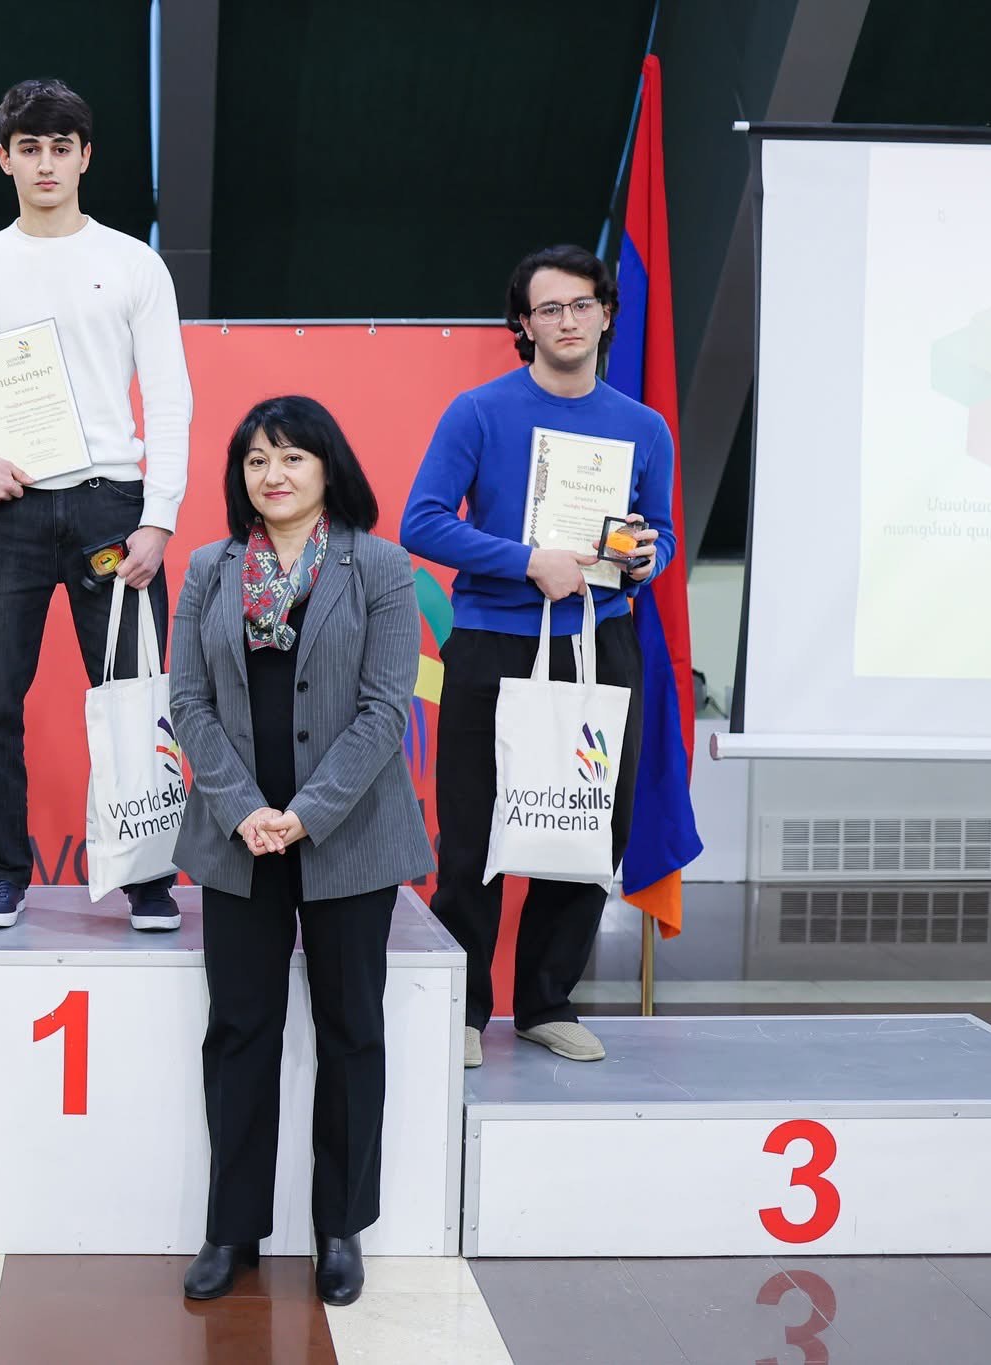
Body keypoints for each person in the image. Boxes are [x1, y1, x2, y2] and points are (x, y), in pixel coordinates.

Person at [0, 78, 192, 931]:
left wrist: (159, 516)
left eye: (61, 148)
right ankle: (2, 872)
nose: (46, 164)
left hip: (114, 508)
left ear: (85, 157)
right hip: (9, 512)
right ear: (5, 158)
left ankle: (147, 876)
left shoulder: (133, 263)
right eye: (29, 148)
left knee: (135, 695)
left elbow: (168, 398)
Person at [169, 396, 430, 1307]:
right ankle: (231, 1229)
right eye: (255, 460)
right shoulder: (208, 569)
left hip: (349, 835)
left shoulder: (378, 565)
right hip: (239, 838)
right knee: (240, 1029)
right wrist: (246, 809)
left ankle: (340, 1227)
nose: (271, 474)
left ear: (327, 467)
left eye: (290, 457)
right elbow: (189, 702)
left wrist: (305, 815)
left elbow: (386, 709)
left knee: (352, 1029)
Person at [400, 243, 676, 1066]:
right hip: (494, 641)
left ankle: (546, 1000)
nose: (567, 320)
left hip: (599, 642)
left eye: (582, 304)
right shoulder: (478, 412)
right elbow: (421, 521)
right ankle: (462, 1009)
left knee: (589, 827)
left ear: (606, 315)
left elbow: (658, 535)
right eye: (548, 308)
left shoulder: (644, 427)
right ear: (523, 324)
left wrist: (644, 559)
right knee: (475, 833)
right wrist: (528, 561)